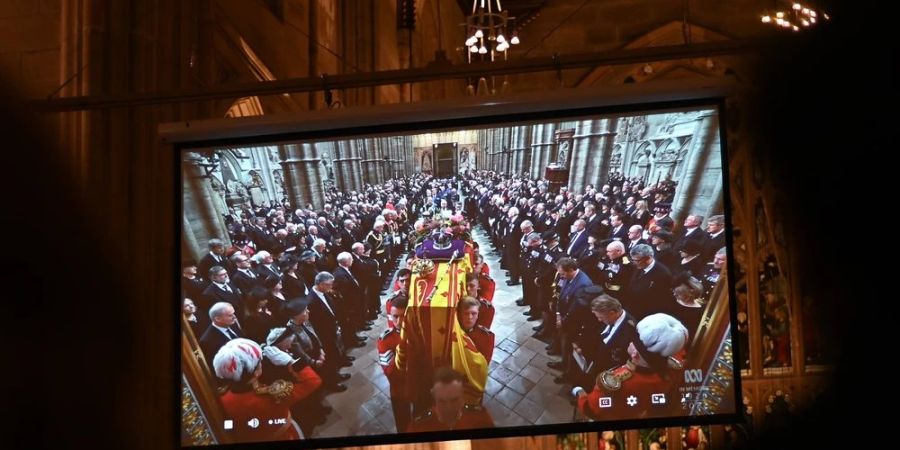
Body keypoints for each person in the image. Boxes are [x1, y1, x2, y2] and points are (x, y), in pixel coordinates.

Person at [574, 313, 688, 420]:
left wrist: (579, 391)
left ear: (635, 353)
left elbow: (590, 409)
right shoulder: (673, 371)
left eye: (633, 340)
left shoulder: (621, 383)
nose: (630, 341)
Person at [212, 338, 316, 442]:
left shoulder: (221, 397)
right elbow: (312, 381)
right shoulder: (271, 397)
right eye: (259, 362)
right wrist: (291, 361)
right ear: (256, 372)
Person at [406, 367, 494, 432]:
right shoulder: (418, 427)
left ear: (462, 395)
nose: (449, 408)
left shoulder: (480, 419)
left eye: (454, 400)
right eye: (442, 401)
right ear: (434, 396)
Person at [377, 294, 413, 432]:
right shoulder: (385, 340)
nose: (399, 321)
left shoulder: (421, 334)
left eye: (403, 316)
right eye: (395, 316)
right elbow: (390, 372)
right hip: (400, 389)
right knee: (403, 425)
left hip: (420, 387)